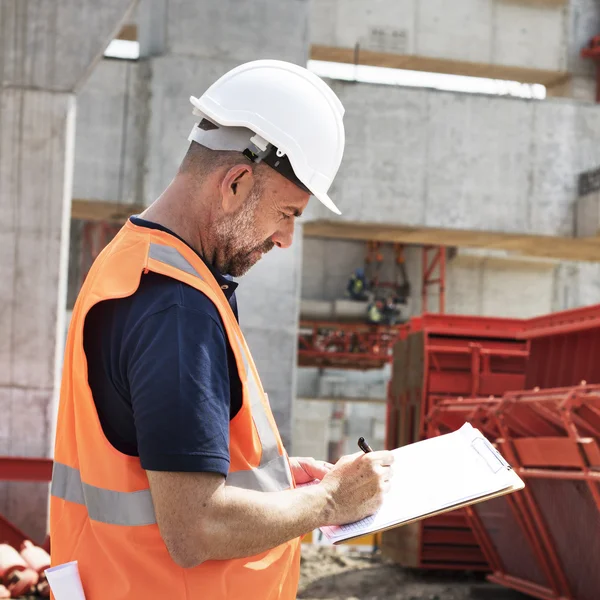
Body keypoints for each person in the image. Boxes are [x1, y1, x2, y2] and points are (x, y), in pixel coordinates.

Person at [49, 60, 393, 600]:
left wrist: (273, 485)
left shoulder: (131, 263)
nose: (285, 240)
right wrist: (331, 501)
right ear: (235, 183)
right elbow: (196, 527)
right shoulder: (177, 310)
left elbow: (153, 466)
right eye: (286, 213)